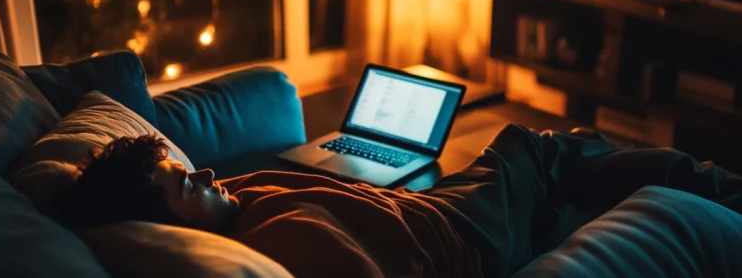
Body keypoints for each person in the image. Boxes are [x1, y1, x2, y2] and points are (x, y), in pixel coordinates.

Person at [58, 124, 742, 278]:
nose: (204, 170)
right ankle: (725, 191)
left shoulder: (238, 202)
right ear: (159, 221)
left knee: (567, 156)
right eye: (182, 182)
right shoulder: (280, 244)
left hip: (443, 206)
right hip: (466, 230)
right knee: (538, 148)